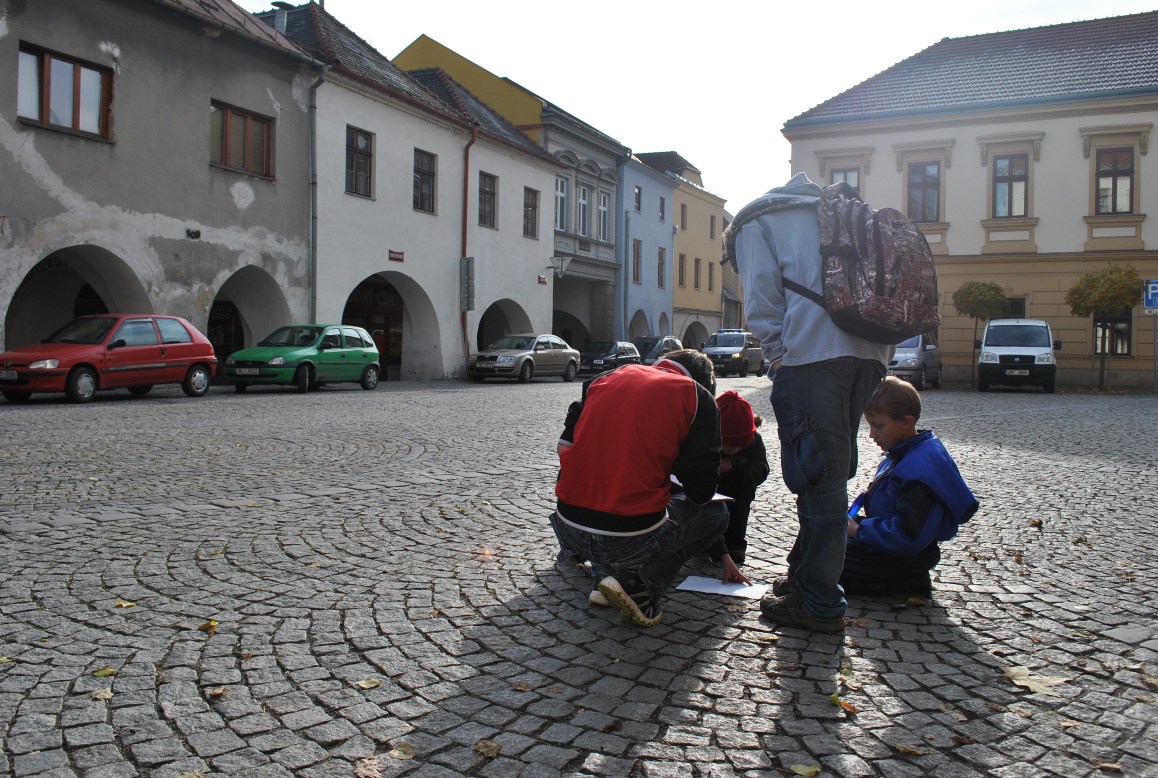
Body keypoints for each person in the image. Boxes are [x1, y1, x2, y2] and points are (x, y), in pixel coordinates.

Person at [724, 172, 892, 632]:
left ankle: (820, 602)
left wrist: (777, 354)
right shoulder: (844, 212)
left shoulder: (756, 220)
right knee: (831, 472)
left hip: (812, 353)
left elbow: (761, 295)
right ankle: (804, 578)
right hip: (870, 351)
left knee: (819, 478)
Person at [550, 349, 749, 627]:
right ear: (707, 384)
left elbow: (566, 450)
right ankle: (642, 586)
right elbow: (701, 493)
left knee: (613, 502)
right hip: (627, 537)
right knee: (717, 515)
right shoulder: (697, 397)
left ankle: (603, 575)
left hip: (568, 528)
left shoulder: (605, 378)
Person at [842, 377, 978, 594]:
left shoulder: (919, 470)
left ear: (906, 422)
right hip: (894, 547)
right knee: (823, 545)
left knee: (825, 558)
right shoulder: (904, 452)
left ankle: (901, 582)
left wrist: (858, 529)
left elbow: (908, 535)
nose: (871, 434)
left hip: (908, 556)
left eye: (878, 426)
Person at [714, 391, 770, 566]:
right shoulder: (706, 436)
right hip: (710, 488)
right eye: (728, 445)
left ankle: (735, 544)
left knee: (743, 488)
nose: (733, 449)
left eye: (738, 445)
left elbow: (761, 469)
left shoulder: (754, 440)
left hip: (739, 493)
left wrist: (734, 464)